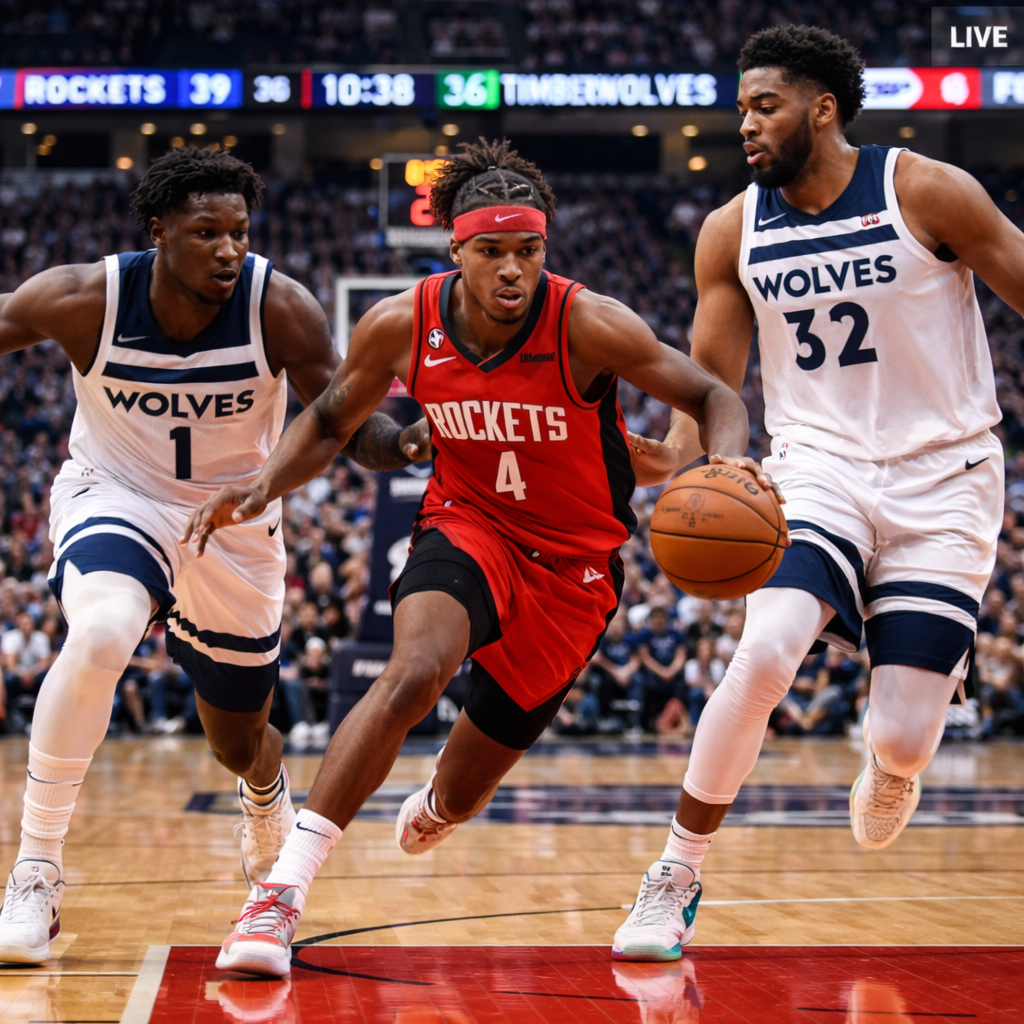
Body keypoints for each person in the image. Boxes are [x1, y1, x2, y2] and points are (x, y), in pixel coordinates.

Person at [182, 137, 769, 978]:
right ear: (456, 250)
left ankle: (440, 800)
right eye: (491, 250)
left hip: (574, 569)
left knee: (462, 794)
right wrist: (263, 483)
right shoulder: (402, 322)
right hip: (468, 525)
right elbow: (330, 420)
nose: (511, 268)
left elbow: (712, 394)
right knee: (413, 672)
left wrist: (728, 464)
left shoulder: (589, 322)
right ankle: (279, 894)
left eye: (527, 249)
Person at [615, 23, 1018, 960]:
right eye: (742, 109)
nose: (746, 125)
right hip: (815, 468)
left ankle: (893, 760)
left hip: (946, 474)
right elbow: (709, 390)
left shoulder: (924, 189)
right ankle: (675, 873)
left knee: (906, 736)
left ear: (823, 109)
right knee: (764, 653)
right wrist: (660, 457)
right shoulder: (732, 230)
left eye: (766, 106)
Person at [0, 147, 429, 963]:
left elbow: (341, 421)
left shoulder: (281, 307)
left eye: (239, 231)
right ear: (158, 231)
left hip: (238, 518)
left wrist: (405, 442)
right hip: (118, 496)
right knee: (101, 631)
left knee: (239, 739)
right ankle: (36, 871)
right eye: (207, 232)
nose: (229, 249)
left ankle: (263, 792)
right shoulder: (84, 299)